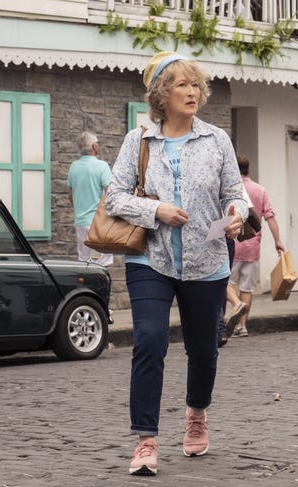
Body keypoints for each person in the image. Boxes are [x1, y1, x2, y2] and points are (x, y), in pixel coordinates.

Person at [105, 51, 250, 476]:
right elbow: (114, 197)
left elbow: (234, 193)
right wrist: (157, 212)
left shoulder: (217, 139)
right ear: (161, 95)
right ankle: (146, 440)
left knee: (204, 351)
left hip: (207, 260)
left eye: (195, 85)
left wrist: (238, 214)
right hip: (151, 257)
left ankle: (196, 414)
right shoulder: (139, 142)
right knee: (149, 339)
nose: (192, 92)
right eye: (181, 85)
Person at [225, 155, 285, 337]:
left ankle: (235, 306)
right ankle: (242, 327)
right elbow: (270, 217)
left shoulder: (231, 190)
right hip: (252, 247)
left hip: (233, 242)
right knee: (247, 288)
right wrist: (278, 241)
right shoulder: (260, 190)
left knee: (225, 283)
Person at [67, 131, 113, 266]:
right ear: (94, 146)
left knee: (84, 263)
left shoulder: (73, 167)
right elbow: (110, 194)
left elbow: (70, 195)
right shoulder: (102, 166)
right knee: (100, 265)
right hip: (98, 224)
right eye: (98, 143)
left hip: (81, 223)